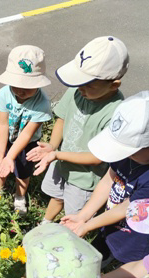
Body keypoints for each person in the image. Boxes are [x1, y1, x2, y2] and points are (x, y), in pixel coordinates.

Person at [61, 91, 149, 264]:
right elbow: (108, 179)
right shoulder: (129, 152)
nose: (122, 155)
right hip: (109, 226)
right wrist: (84, 215)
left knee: (117, 276)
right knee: (95, 260)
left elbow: (126, 209)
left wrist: (87, 225)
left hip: (134, 242)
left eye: (128, 151)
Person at [26, 36, 128, 222]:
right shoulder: (77, 91)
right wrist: (52, 146)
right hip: (62, 162)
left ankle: (69, 238)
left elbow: (98, 157)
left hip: (84, 178)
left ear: (114, 84)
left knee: (74, 213)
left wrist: (57, 154)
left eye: (88, 84)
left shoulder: (116, 112)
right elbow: (62, 119)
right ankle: (45, 223)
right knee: (56, 195)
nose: (80, 88)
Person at [0, 45, 52, 215]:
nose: (22, 91)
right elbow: (2, 125)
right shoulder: (4, 93)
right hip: (5, 138)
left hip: (28, 143)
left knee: (23, 173)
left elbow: (27, 133)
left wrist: (11, 156)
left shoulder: (42, 103)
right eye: (17, 85)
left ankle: (20, 196)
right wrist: (2, 153)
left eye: (28, 86)